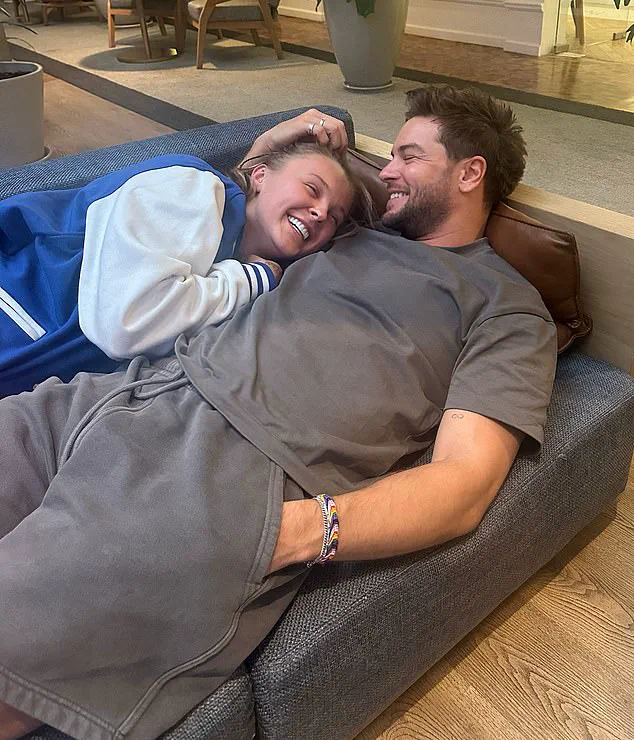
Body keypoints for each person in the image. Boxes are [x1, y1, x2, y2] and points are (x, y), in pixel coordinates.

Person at [0, 85, 558, 740]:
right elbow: (267, 189)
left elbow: (463, 486)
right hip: (125, 390)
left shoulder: (506, 307)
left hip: (225, 469)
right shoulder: (349, 232)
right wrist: (271, 140)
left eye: (409, 156)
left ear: (470, 173)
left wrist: (288, 533)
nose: (387, 171)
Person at [0, 141, 369, 397]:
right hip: (16, 301)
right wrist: (253, 278)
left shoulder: (240, 268)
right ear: (260, 175)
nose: (321, 212)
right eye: (312, 188)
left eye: (334, 217)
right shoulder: (196, 188)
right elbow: (125, 325)